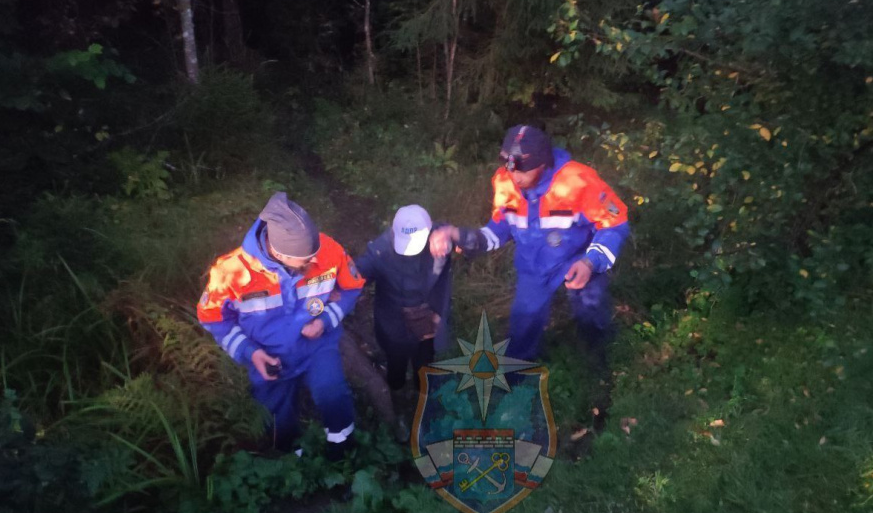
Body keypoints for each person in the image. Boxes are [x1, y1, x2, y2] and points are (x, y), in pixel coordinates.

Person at [429, 124, 630, 362]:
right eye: (509, 165)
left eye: (523, 167)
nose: (515, 176)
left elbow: (614, 223)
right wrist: (458, 235)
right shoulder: (504, 182)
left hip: (578, 257)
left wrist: (591, 262)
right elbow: (498, 230)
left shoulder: (579, 181)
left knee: (591, 312)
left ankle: (602, 362)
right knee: (523, 322)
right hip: (533, 265)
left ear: (543, 161)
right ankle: (517, 376)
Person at [196, 192, 365, 458]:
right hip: (269, 357)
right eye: (306, 261)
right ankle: (288, 457)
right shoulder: (231, 273)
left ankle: (341, 449)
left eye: (315, 254)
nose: (314, 262)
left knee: (332, 393)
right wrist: (250, 353)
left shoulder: (328, 250)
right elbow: (212, 317)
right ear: (278, 252)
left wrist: (325, 320)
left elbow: (352, 288)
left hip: (317, 346)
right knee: (275, 415)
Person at [354, 205, 454, 394]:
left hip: (428, 322)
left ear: (429, 229)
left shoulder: (441, 237)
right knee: (396, 362)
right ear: (394, 232)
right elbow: (356, 274)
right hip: (394, 324)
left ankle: (422, 394)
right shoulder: (379, 252)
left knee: (424, 363)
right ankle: (396, 391)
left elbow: (470, 241)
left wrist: (454, 236)